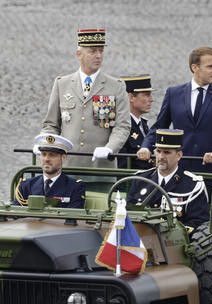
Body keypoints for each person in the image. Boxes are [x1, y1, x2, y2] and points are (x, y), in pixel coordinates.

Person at [136, 47, 212, 185]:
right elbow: (160, 126)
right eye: (210, 66)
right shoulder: (173, 93)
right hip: (178, 172)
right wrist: (145, 147)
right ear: (194, 67)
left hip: (211, 174)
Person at [41, 29, 130, 168]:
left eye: (101, 51)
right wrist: (46, 143)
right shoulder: (62, 84)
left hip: (101, 168)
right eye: (92, 51)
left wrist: (110, 148)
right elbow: (51, 125)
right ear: (79, 54)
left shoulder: (116, 86)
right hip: (68, 166)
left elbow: (122, 126)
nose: (98, 56)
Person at [127, 129, 209, 229]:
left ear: (179, 155)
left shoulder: (193, 185)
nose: (161, 156)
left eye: (167, 152)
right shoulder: (140, 179)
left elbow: (198, 222)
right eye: (158, 151)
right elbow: (129, 213)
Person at [14, 134, 86, 209]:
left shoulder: (74, 187)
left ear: (63, 158)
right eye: (43, 154)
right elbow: (15, 214)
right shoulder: (26, 185)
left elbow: (74, 217)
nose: (46, 159)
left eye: (52, 155)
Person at [118, 75, 155, 170]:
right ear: (130, 97)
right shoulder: (120, 125)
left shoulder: (142, 124)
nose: (151, 99)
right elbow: (123, 164)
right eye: (146, 95)